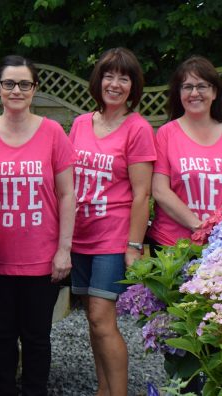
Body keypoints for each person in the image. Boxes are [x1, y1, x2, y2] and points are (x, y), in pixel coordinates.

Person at [0, 55, 76, 396]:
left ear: (35, 89)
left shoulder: (53, 132)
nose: (17, 90)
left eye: (24, 84)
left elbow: (67, 193)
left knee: (36, 337)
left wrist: (64, 249)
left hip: (40, 259)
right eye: (9, 83)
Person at [69, 47, 156, 396]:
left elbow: (142, 195)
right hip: (80, 236)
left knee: (103, 320)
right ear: (98, 80)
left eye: (124, 77)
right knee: (94, 320)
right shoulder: (79, 123)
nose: (115, 83)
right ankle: (102, 390)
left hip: (113, 237)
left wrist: (133, 247)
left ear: (133, 86)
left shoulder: (138, 129)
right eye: (109, 75)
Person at [148, 55, 222, 254]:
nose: (194, 93)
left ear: (214, 92)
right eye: (187, 87)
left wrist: (220, 227)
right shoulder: (167, 134)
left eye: (202, 86)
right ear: (179, 93)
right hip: (172, 246)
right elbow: (160, 190)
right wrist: (199, 227)